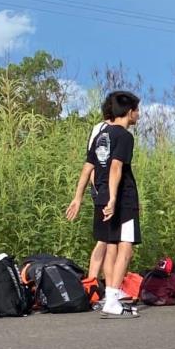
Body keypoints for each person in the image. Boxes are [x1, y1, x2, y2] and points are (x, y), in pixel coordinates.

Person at [87, 91, 142, 318]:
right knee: (125, 247)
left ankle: (112, 294)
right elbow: (116, 167)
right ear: (129, 112)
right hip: (122, 197)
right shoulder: (125, 136)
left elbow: (88, 168)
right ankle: (111, 297)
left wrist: (81, 195)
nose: (138, 114)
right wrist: (112, 197)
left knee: (111, 245)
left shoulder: (101, 133)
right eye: (137, 111)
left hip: (103, 195)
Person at [65, 100, 112, 298]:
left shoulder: (117, 131)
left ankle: (101, 286)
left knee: (109, 241)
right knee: (105, 240)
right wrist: (95, 190)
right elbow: (91, 163)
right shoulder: (101, 130)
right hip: (102, 189)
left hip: (109, 189)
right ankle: (94, 285)